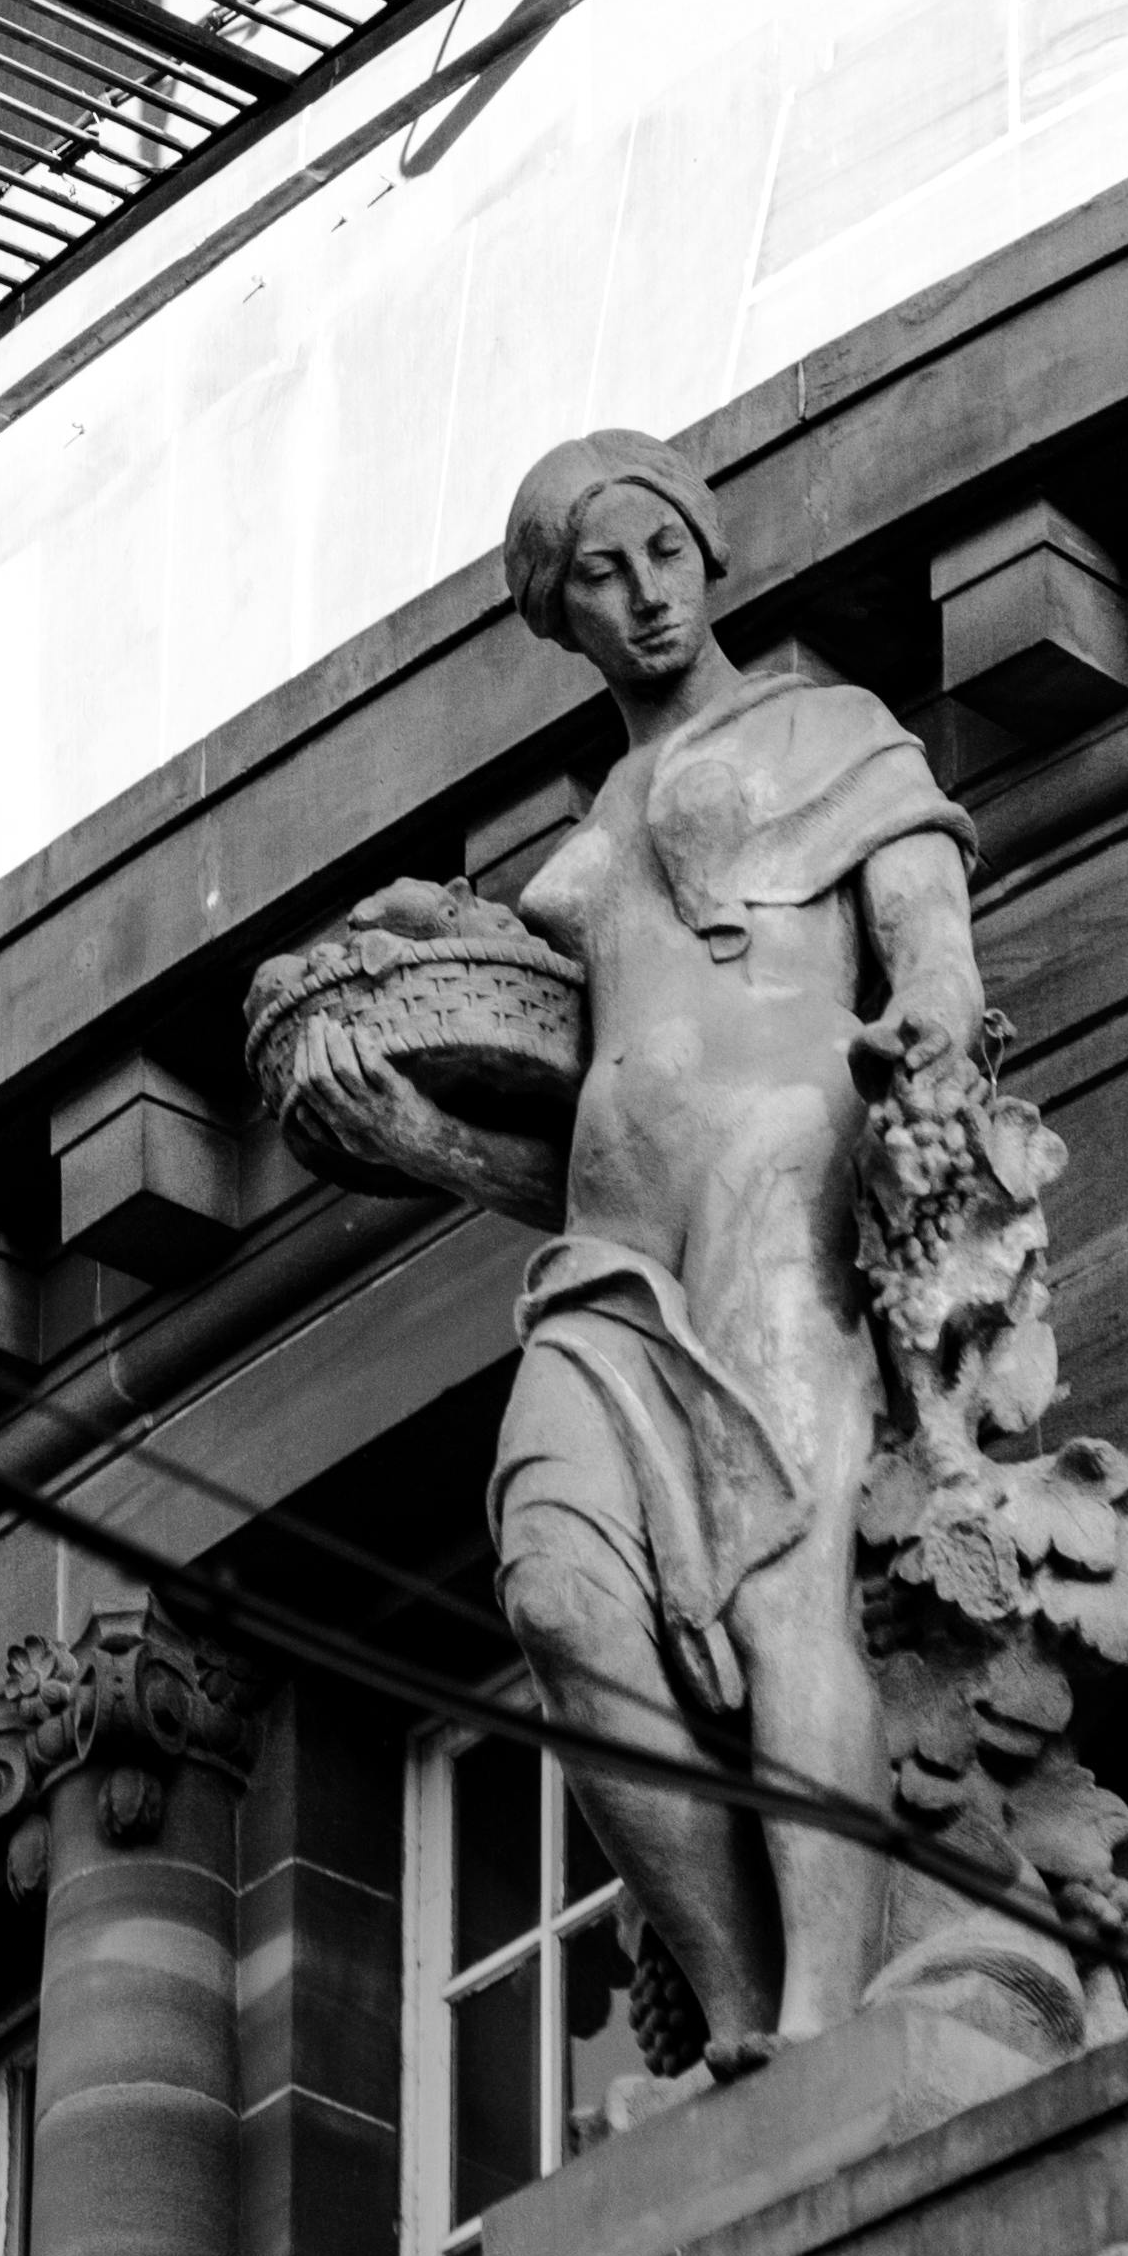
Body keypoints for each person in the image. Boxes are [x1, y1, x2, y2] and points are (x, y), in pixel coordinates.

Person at [466, 429, 995, 2068]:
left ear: (704, 549)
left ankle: (824, 2010)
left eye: (660, 552)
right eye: (598, 578)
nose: (643, 595)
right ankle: (739, 1997)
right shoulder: (598, 836)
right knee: (556, 1586)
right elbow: (508, 1002)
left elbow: (932, 944)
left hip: (784, 1159)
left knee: (782, 1580)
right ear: (560, 619)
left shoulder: (830, 732)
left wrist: (933, 1029)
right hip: (610, 1249)